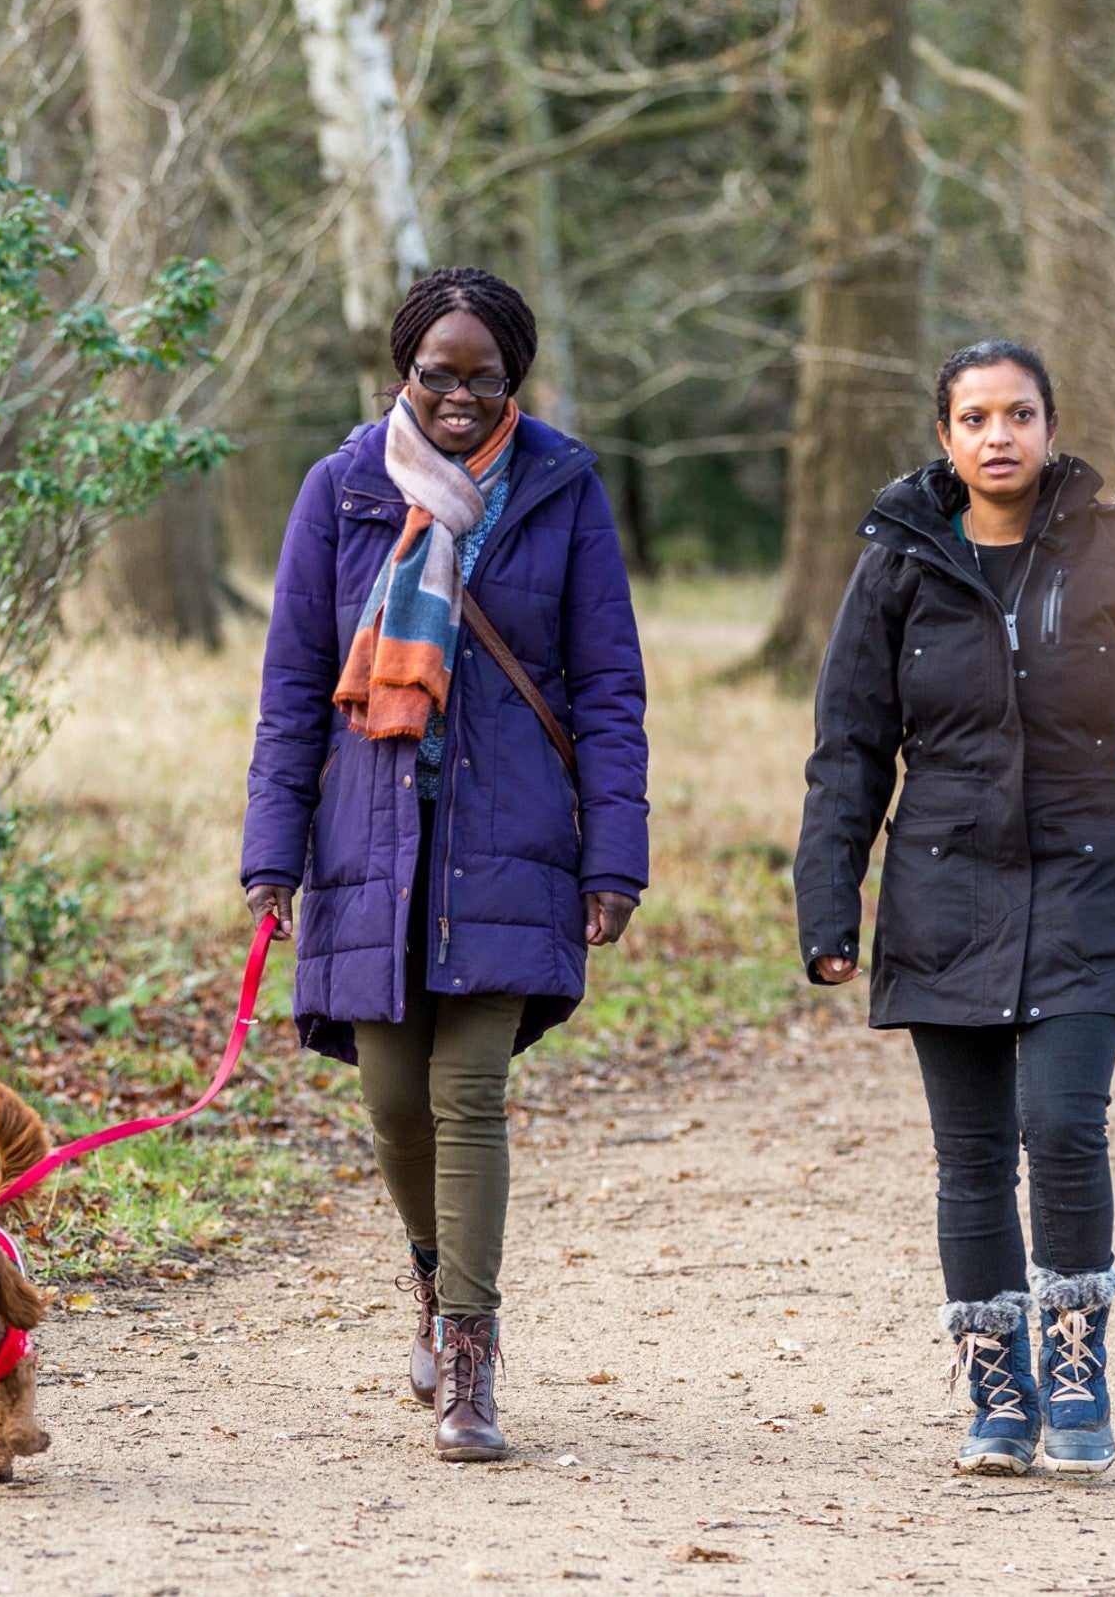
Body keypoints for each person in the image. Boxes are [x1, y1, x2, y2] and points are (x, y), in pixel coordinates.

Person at [792, 339, 1115, 1476]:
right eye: (974, 418)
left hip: (1083, 880)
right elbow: (850, 748)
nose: (998, 436)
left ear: (1051, 427)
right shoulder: (896, 560)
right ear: (945, 439)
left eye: (1018, 414)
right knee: (970, 1159)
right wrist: (828, 896)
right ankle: (996, 1393)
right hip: (943, 887)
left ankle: (1076, 1375)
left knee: (1065, 1126)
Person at [241, 267, 650, 1462]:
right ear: (402, 371)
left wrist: (612, 855)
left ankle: (467, 1356)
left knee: (469, 1092)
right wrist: (272, 852)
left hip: (509, 838)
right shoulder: (340, 490)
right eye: (438, 374)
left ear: (512, 377)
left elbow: (609, 687)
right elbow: (290, 691)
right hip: (369, 837)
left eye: (484, 377)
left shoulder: (564, 487)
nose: (460, 396)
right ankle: (429, 1281)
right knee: (390, 1101)